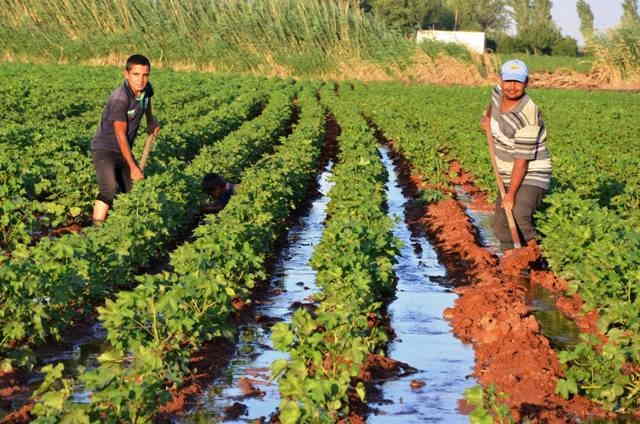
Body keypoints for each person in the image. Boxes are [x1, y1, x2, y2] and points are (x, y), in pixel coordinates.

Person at [480, 59, 552, 251]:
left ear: (526, 82)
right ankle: (511, 262)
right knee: (500, 225)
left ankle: (537, 256)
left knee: (518, 213)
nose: (512, 87)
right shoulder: (498, 92)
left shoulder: (528, 115)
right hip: (507, 170)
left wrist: (511, 195)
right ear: (501, 80)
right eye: (508, 81)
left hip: (531, 171)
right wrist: (487, 119)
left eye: (518, 82)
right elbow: (492, 103)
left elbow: (522, 162)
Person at [90, 54, 160, 224]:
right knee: (109, 189)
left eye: (145, 75)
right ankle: (95, 229)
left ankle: (118, 225)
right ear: (126, 74)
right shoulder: (120, 98)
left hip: (124, 148)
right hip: (105, 149)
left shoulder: (146, 89)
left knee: (132, 191)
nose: (141, 80)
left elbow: (147, 100)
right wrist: (133, 167)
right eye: (136, 75)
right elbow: (120, 134)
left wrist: (150, 120)